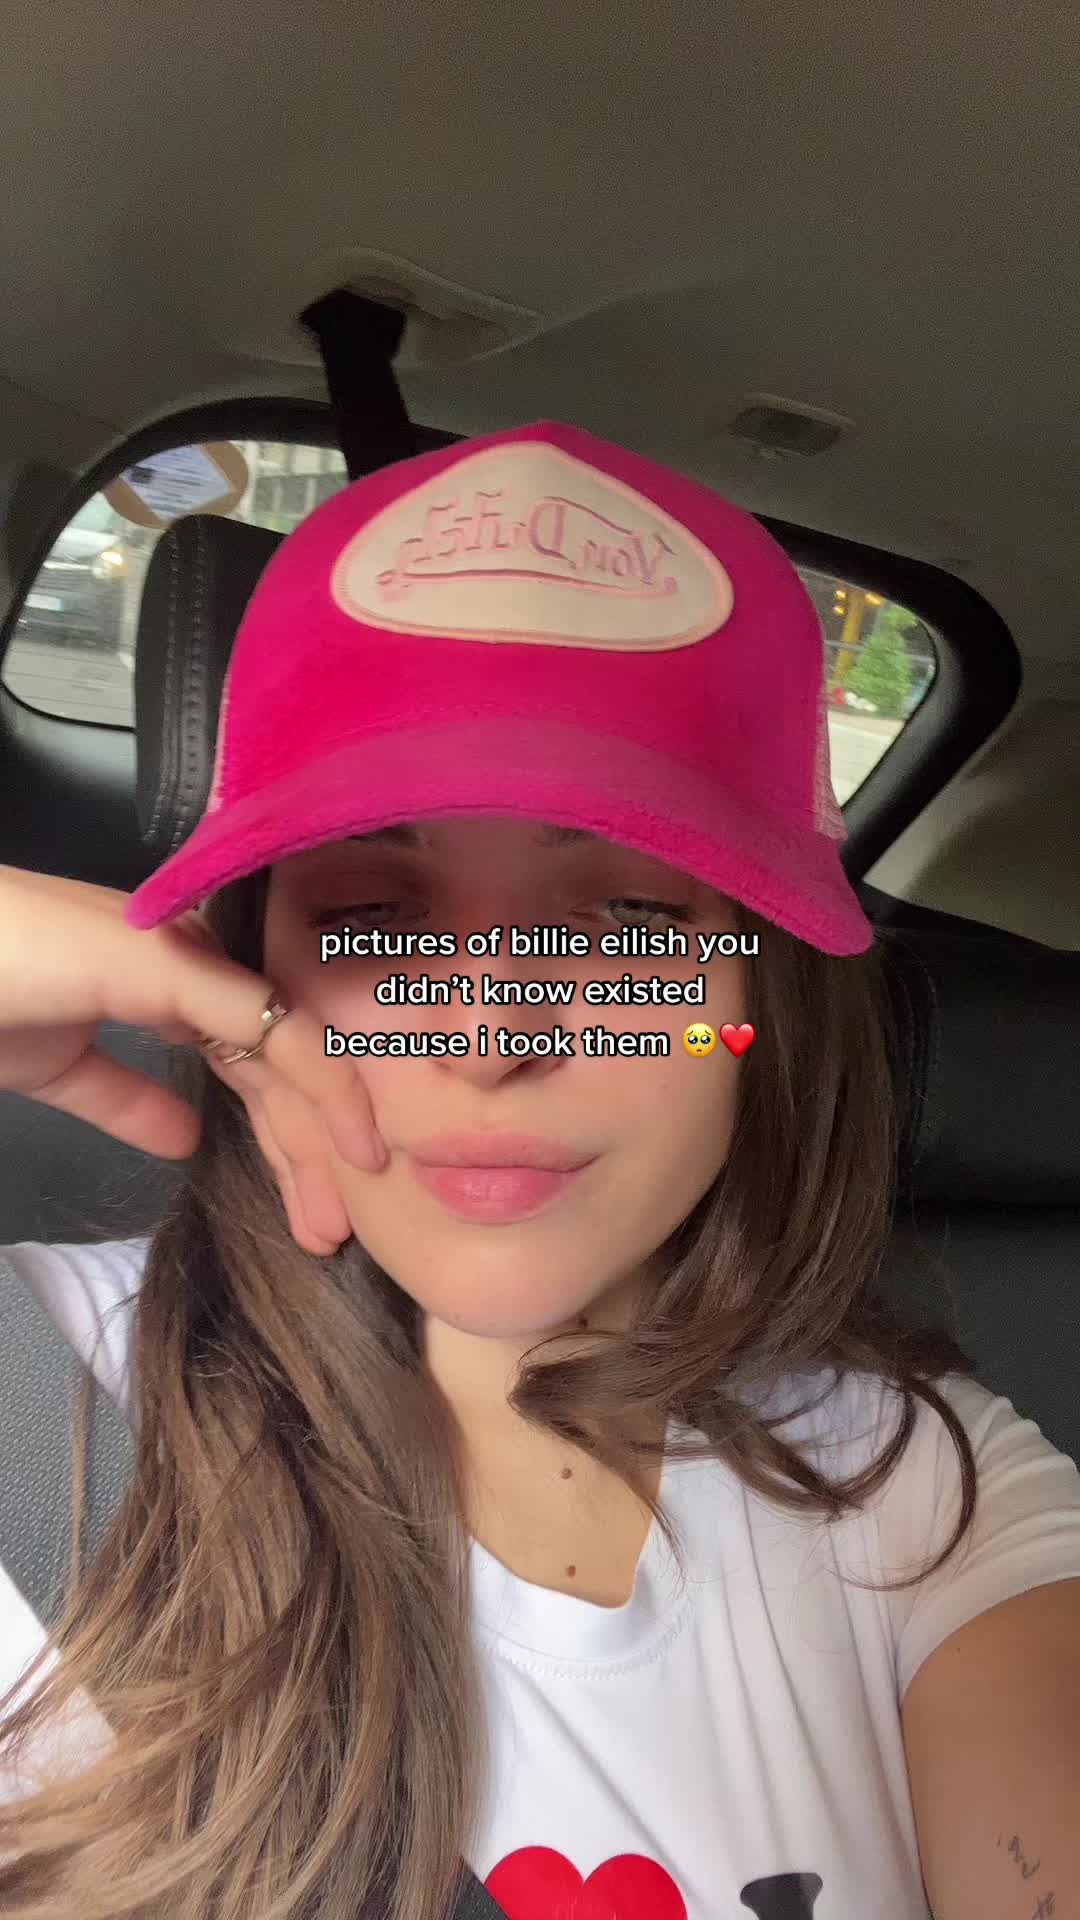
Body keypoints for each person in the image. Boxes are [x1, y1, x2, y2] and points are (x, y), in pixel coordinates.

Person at [0, 419, 1078, 1920]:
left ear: (756, 1008)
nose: (495, 1033)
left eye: (629, 922)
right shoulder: (38, 1399)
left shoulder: (918, 1490)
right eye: (374, 917)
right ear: (250, 971)